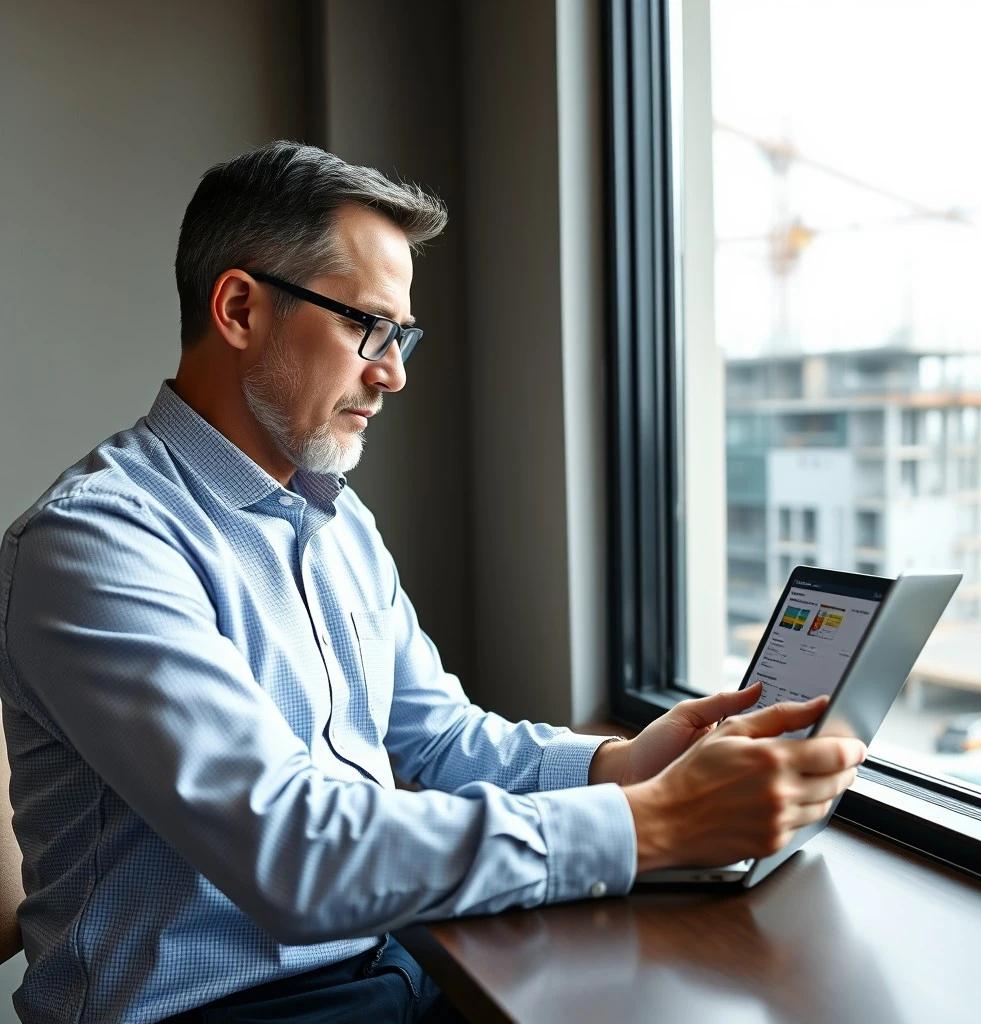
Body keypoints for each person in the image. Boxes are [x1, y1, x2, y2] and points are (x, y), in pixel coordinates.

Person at [0, 142, 865, 1024]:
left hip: (383, 967)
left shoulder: (337, 521)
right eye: (367, 326)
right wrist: (653, 825)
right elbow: (292, 854)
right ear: (238, 309)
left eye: (401, 335)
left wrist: (621, 766)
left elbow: (440, 737)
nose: (394, 372)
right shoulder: (96, 544)